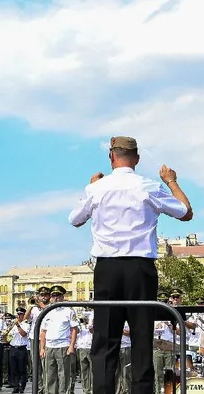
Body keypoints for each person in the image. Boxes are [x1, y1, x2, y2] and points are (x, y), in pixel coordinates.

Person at [67, 135, 193, 394]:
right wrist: (171, 181)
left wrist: (90, 188)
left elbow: (75, 220)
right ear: (137, 159)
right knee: (141, 338)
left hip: (107, 269)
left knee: (105, 340)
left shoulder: (97, 188)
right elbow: (185, 211)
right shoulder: (148, 186)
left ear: (111, 157)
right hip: (140, 268)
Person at [7, 306, 31, 394]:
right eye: (17, 314)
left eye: (20, 314)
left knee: (22, 369)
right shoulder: (13, 325)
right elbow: (8, 335)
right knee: (14, 369)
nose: (18, 316)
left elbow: (23, 334)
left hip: (21, 349)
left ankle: (22, 387)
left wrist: (17, 325)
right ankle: (15, 386)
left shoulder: (26, 324)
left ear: (24, 315)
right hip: (13, 348)